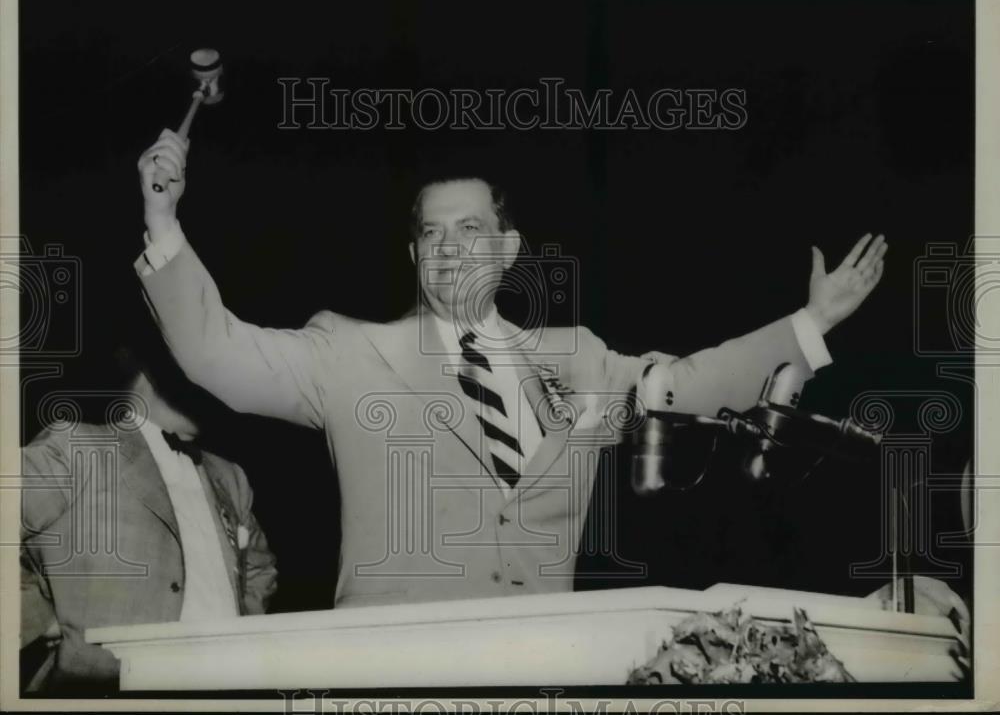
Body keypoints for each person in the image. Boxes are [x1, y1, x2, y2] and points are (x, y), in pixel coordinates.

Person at [132, 128, 886, 608]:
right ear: (414, 255)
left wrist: (811, 325)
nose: (451, 248)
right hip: (392, 676)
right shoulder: (347, 353)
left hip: (538, 669)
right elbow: (216, 352)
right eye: (433, 234)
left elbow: (685, 386)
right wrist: (163, 222)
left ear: (508, 248)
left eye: (471, 228)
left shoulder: (580, 359)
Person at [20, 343, 277, 692]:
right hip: (109, 691)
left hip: (223, 688)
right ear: (150, 371)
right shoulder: (79, 447)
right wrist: (42, 618)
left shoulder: (231, 477)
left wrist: (238, 632)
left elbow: (260, 570)